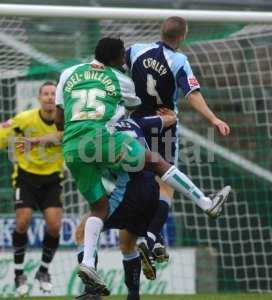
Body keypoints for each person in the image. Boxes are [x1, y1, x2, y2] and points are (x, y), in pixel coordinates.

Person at [55, 37, 231, 295]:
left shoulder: (68, 73)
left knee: (97, 211)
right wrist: (167, 119)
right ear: (117, 59)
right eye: (122, 59)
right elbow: (137, 113)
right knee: (156, 161)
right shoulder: (123, 86)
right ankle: (200, 206)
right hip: (103, 142)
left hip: (71, 148)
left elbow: (59, 122)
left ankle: (91, 263)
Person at [125, 16, 231, 254]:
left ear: (161, 32)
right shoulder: (179, 60)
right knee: (165, 184)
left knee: (143, 181)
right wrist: (214, 119)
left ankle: (155, 237)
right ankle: (153, 237)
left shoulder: (135, 50)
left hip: (138, 122)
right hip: (165, 125)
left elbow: (117, 70)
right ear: (182, 36)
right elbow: (192, 94)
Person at [0, 81, 63, 296]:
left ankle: (43, 271)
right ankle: (18, 273)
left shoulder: (64, 122)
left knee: (54, 226)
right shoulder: (25, 119)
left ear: (58, 99)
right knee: (22, 222)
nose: (50, 97)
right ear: (40, 98)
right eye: (46, 94)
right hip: (26, 178)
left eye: (53, 94)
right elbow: (1, 135)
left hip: (52, 179)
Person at [74, 111, 176, 300]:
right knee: (127, 242)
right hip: (150, 188)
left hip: (129, 191)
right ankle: (134, 293)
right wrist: (170, 114)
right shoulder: (137, 122)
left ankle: (92, 291)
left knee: (83, 230)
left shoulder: (102, 132)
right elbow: (170, 119)